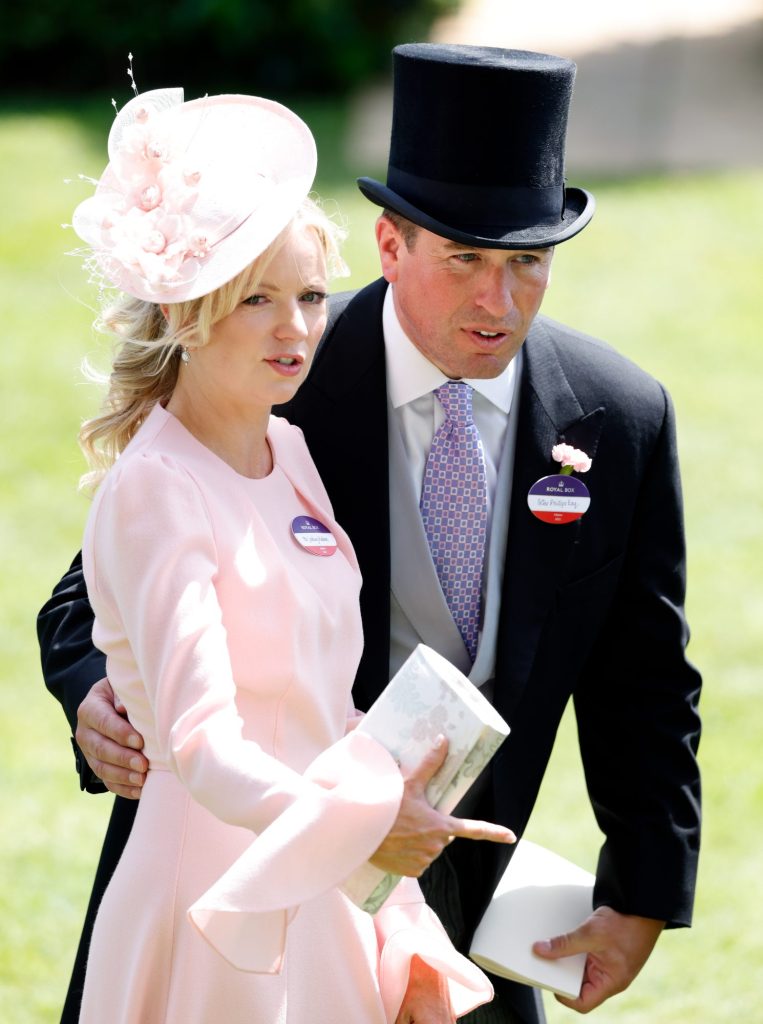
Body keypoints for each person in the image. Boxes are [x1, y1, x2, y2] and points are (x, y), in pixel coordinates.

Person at [39, 45, 702, 1024]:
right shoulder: (272, 374)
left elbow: (645, 682)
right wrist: (93, 691)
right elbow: (96, 591)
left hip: (461, 905)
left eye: (528, 263)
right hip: (249, 880)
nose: (497, 300)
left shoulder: (620, 414)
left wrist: (642, 889)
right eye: (464, 260)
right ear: (389, 246)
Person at [44, 84, 517, 1024]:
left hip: (323, 885)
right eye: (256, 299)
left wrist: (399, 912)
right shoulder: (155, 490)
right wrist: (368, 829)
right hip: (214, 898)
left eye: (307, 295)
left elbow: (325, 708)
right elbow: (208, 753)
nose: (297, 327)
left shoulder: (288, 450)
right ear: (187, 311)